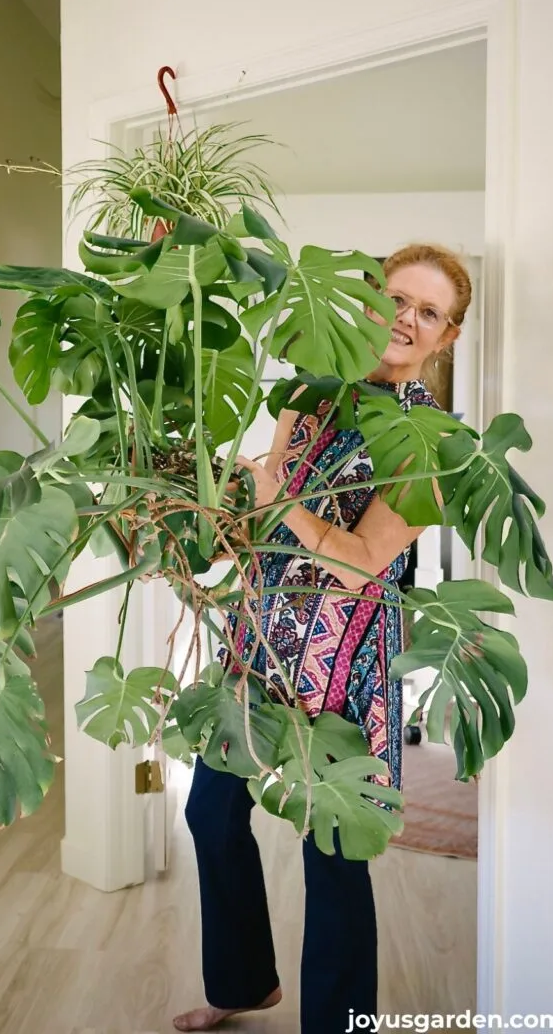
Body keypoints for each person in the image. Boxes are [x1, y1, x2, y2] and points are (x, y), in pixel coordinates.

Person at [173, 244, 471, 1034]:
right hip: (258, 642)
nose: (407, 316)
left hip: (346, 668)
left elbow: (365, 564)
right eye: (398, 297)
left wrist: (282, 503)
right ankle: (241, 983)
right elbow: (261, 513)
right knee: (211, 811)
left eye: (429, 311)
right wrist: (208, 533)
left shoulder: (432, 440)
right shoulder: (306, 393)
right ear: (369, 300)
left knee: (334, 857)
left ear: (447, 336)